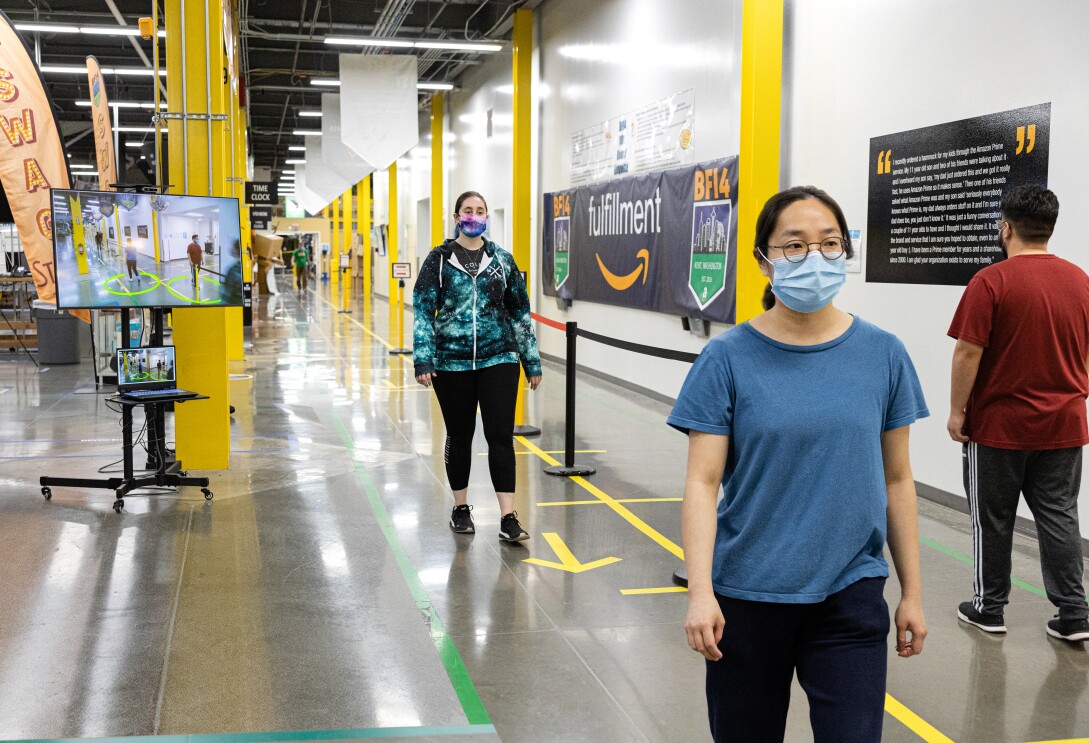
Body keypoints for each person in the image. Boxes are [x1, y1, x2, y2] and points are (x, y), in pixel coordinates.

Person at [670, 186, 928, 743]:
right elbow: (701, 481)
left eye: (830, 243)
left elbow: (898, 479)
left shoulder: (884, 354)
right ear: (764, 258)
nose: (814, 257)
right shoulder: (727, 358)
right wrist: (700, 592)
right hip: (746, 596)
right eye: (794, 245)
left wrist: (912, 591)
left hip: (850, 593)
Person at [947, 184, 1089, 642]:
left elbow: (968, 353)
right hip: (1064, 425)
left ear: (1006, 228)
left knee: (992, 518)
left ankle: (989, 608)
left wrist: (957, 412)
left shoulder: (991, 281)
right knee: (1060, 515)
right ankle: (1075, 614)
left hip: (999, 429)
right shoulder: (1080, 281)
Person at [413, 190, 542, 543]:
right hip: (451, 362)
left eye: (480, 210)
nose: (474, 215)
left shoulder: (502, 260)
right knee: (460, 435)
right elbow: (423, 310)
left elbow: (520, 311)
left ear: (487, 216)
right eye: (468, 210)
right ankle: (460, 507)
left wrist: (531, 360)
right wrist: (422, 358)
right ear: (456, 217)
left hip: (499, 358)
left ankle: (508, 516)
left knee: (500, 436)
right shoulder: (438, 260)